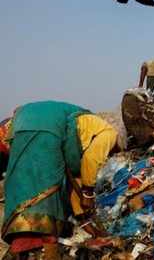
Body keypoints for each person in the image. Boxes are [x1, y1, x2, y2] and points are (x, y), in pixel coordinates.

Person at [1, 101, 123, 259]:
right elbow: (91, 160)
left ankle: (18, 250)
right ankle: (49, 253)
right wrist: (88, 193)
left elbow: (74, 185)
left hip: (21, 123)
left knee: (24, 183)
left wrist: (85, 223)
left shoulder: (84, 133)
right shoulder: (109, 134)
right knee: (48, 193)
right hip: (46, 128)